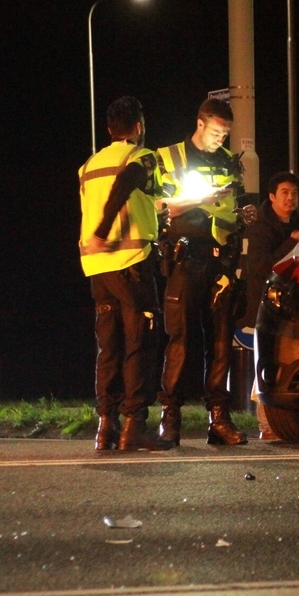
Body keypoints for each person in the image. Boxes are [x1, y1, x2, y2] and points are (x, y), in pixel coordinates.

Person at [78, 96, 172, 452]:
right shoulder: (140, 157)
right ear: (138, 127)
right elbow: (128, 183)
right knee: (140, 344)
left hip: (98, 267)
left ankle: (106, 426)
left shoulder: (88, 165)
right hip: (130, 261)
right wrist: (104, 228)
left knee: (109, 346)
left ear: (108, 129)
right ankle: (134, 426)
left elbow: (136, 196)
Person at [155, 98, 248, 446]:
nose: (219, 140)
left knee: (221, 341)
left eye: (225, 134)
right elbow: (160, 205)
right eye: (215, 132)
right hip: (185, 259)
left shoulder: (227, 162)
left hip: (219, 261)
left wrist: (242, 215)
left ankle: (219, 420)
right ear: (200, 123)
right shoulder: (171, 157)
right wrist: (203, 198)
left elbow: (229, 209)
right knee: (180, 339)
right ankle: (171, 418)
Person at [240, 171, 299, 440]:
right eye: (284, 193)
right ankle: (266, 424)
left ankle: (280, 420)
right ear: (271, 196)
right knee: (267, 359)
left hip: (293, 302)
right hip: (265, 304)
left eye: (294, 193)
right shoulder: (260, 227)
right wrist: (292, 242)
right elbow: (260, 267)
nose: (290, 198)